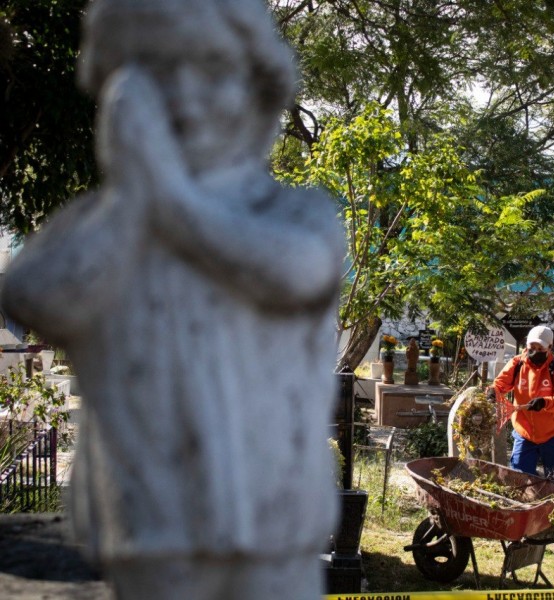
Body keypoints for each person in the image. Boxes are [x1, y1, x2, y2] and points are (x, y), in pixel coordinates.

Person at [0, 1, 344, 598]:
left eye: (211, 67)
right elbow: (36, 297)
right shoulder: (103, 224)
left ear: (259, 84)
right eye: (154, 72)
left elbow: (297, 272)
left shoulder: (294, 213)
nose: (184, 92)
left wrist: (172, 202)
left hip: (275, 517)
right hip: (149, 515)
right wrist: (135, 197)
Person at [491, 325, 554, 551]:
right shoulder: (518, 363)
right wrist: (493, 391)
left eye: (540, 347)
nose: (534, 351)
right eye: (531, 346)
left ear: (549, 348)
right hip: (525, 432)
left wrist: (544, 403)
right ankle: (519, 526)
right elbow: (501, 384)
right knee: (518, 476)